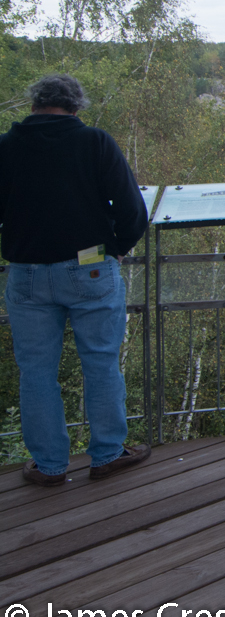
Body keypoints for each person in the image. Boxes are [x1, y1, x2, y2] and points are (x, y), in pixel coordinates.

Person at [0, 74, 150, 486]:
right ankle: (106, 455)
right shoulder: (94, 143)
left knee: (36, 372)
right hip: (91, 267)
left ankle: (49, 466)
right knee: (100, 363)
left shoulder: (7, 147)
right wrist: (117, 246)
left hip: (26, 272)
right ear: (75, 107)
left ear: (34, 104)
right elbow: (133, 208)